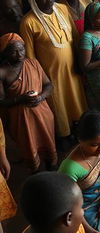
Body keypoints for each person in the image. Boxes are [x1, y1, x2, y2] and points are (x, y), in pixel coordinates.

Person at [20, 0, 86, 142]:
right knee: (58, 105)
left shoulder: (63, 9)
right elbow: (30, 57)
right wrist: (40, 80)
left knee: (76, 101)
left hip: (72, 70)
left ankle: (79, 131)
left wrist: (80, 61)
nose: (49, 0)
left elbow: (76, 37)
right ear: (34, 0)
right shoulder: (29, 22)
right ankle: (63, 137)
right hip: (51, 75)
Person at [0, 33, 56, 172]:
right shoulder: (2, 73)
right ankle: (36, 174)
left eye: (22, 50)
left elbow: (49, 85)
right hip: (22, 120)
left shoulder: (33, 63)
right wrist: (20, 99)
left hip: (43, 113)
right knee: (29, 148)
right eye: (14, 51)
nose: (19, 55)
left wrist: (41, 97)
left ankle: (52, 171)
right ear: (5, 53)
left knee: (49, 145)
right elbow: (1, 102)